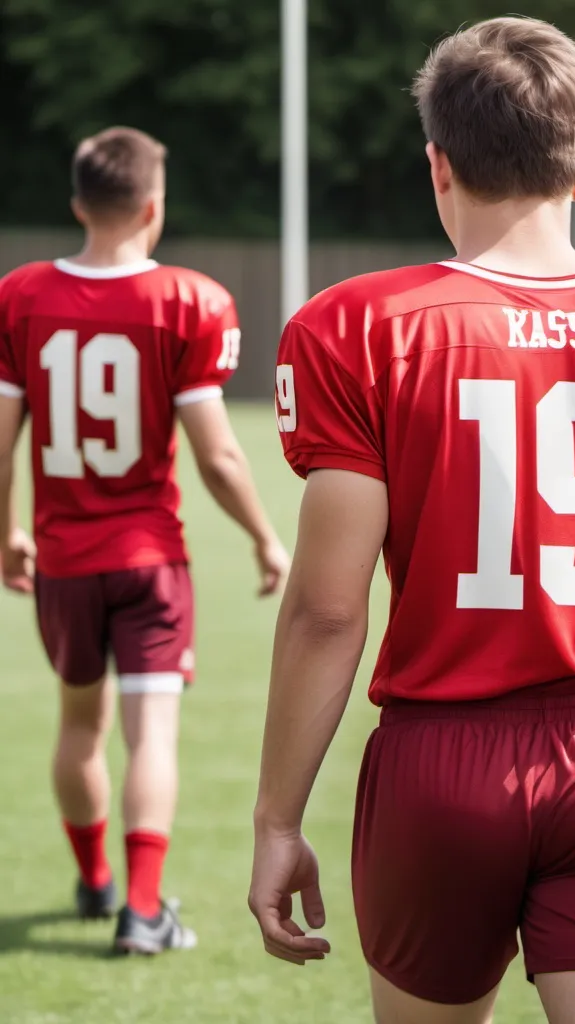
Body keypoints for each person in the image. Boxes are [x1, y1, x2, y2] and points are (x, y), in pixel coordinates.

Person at [248, 16, 575, 1024]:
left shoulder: (357, 327)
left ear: (437, 164)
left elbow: (326, 609)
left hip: (437, 762)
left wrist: (277, 816)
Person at [0, 126, 290, 955]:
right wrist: (266, 537)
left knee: (78, 727)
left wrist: (5, 532)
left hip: (63, 558)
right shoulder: (187, 301)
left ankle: (93, 881)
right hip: (149, 558)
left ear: (77, 205)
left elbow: (0, 441)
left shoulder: (19, 295)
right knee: (151, 733)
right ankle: (143, 909)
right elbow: (218, 454)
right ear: (154, 208)